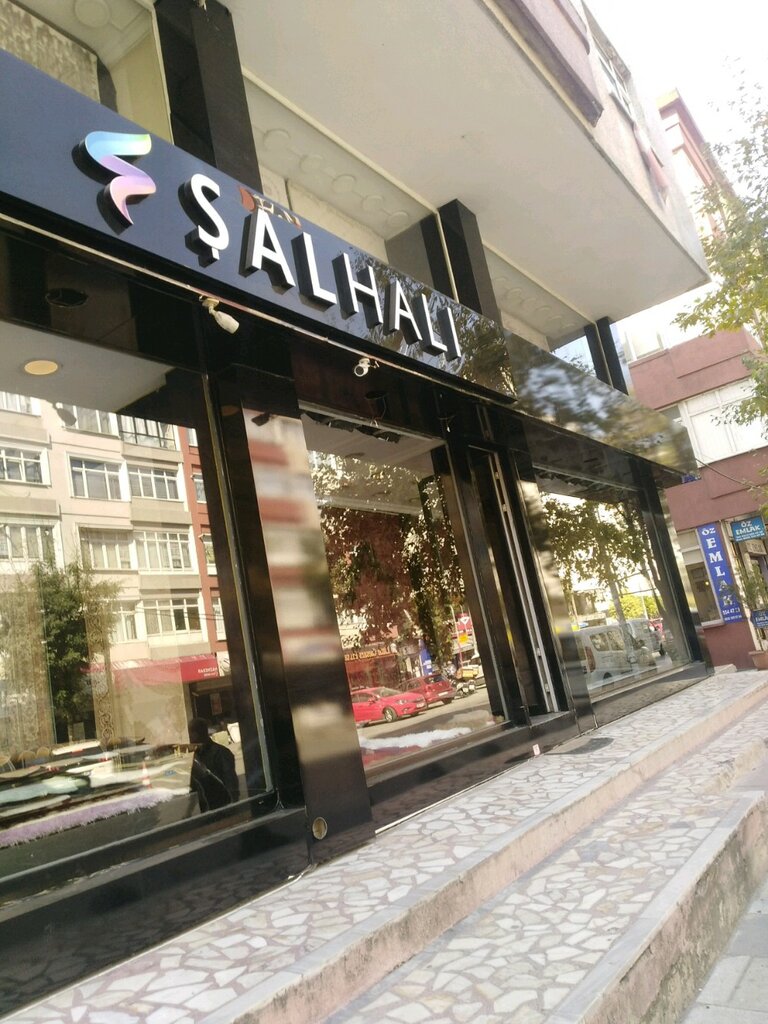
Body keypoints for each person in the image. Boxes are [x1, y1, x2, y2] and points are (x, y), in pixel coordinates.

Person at [188, 717, 239, 812]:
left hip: (222, 806)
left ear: (195, 735)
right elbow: (195, 787)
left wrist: (233, 806)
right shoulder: (196, 755)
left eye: (190, 734)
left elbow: (231, 783)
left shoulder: (221, 753)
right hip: (207, 808)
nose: (189, 738)